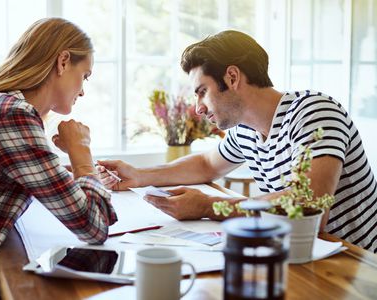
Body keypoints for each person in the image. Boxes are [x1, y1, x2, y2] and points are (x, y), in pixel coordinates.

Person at [98, 30, 377, 253]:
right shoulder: (245, 131)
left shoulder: (314, 112)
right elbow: (206, 164)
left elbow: (311, 204)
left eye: (202, 92)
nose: (198, 108)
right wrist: (138, 174)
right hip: (303, 256)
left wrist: (209, 206)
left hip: (358, 265)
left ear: (232, 77)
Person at [0, 18, 117, 299]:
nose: (83, 90)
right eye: (85, 75)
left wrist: (70, 174)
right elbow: (94, 227)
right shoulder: (11, 114)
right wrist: (81, 152)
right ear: (63, 61)